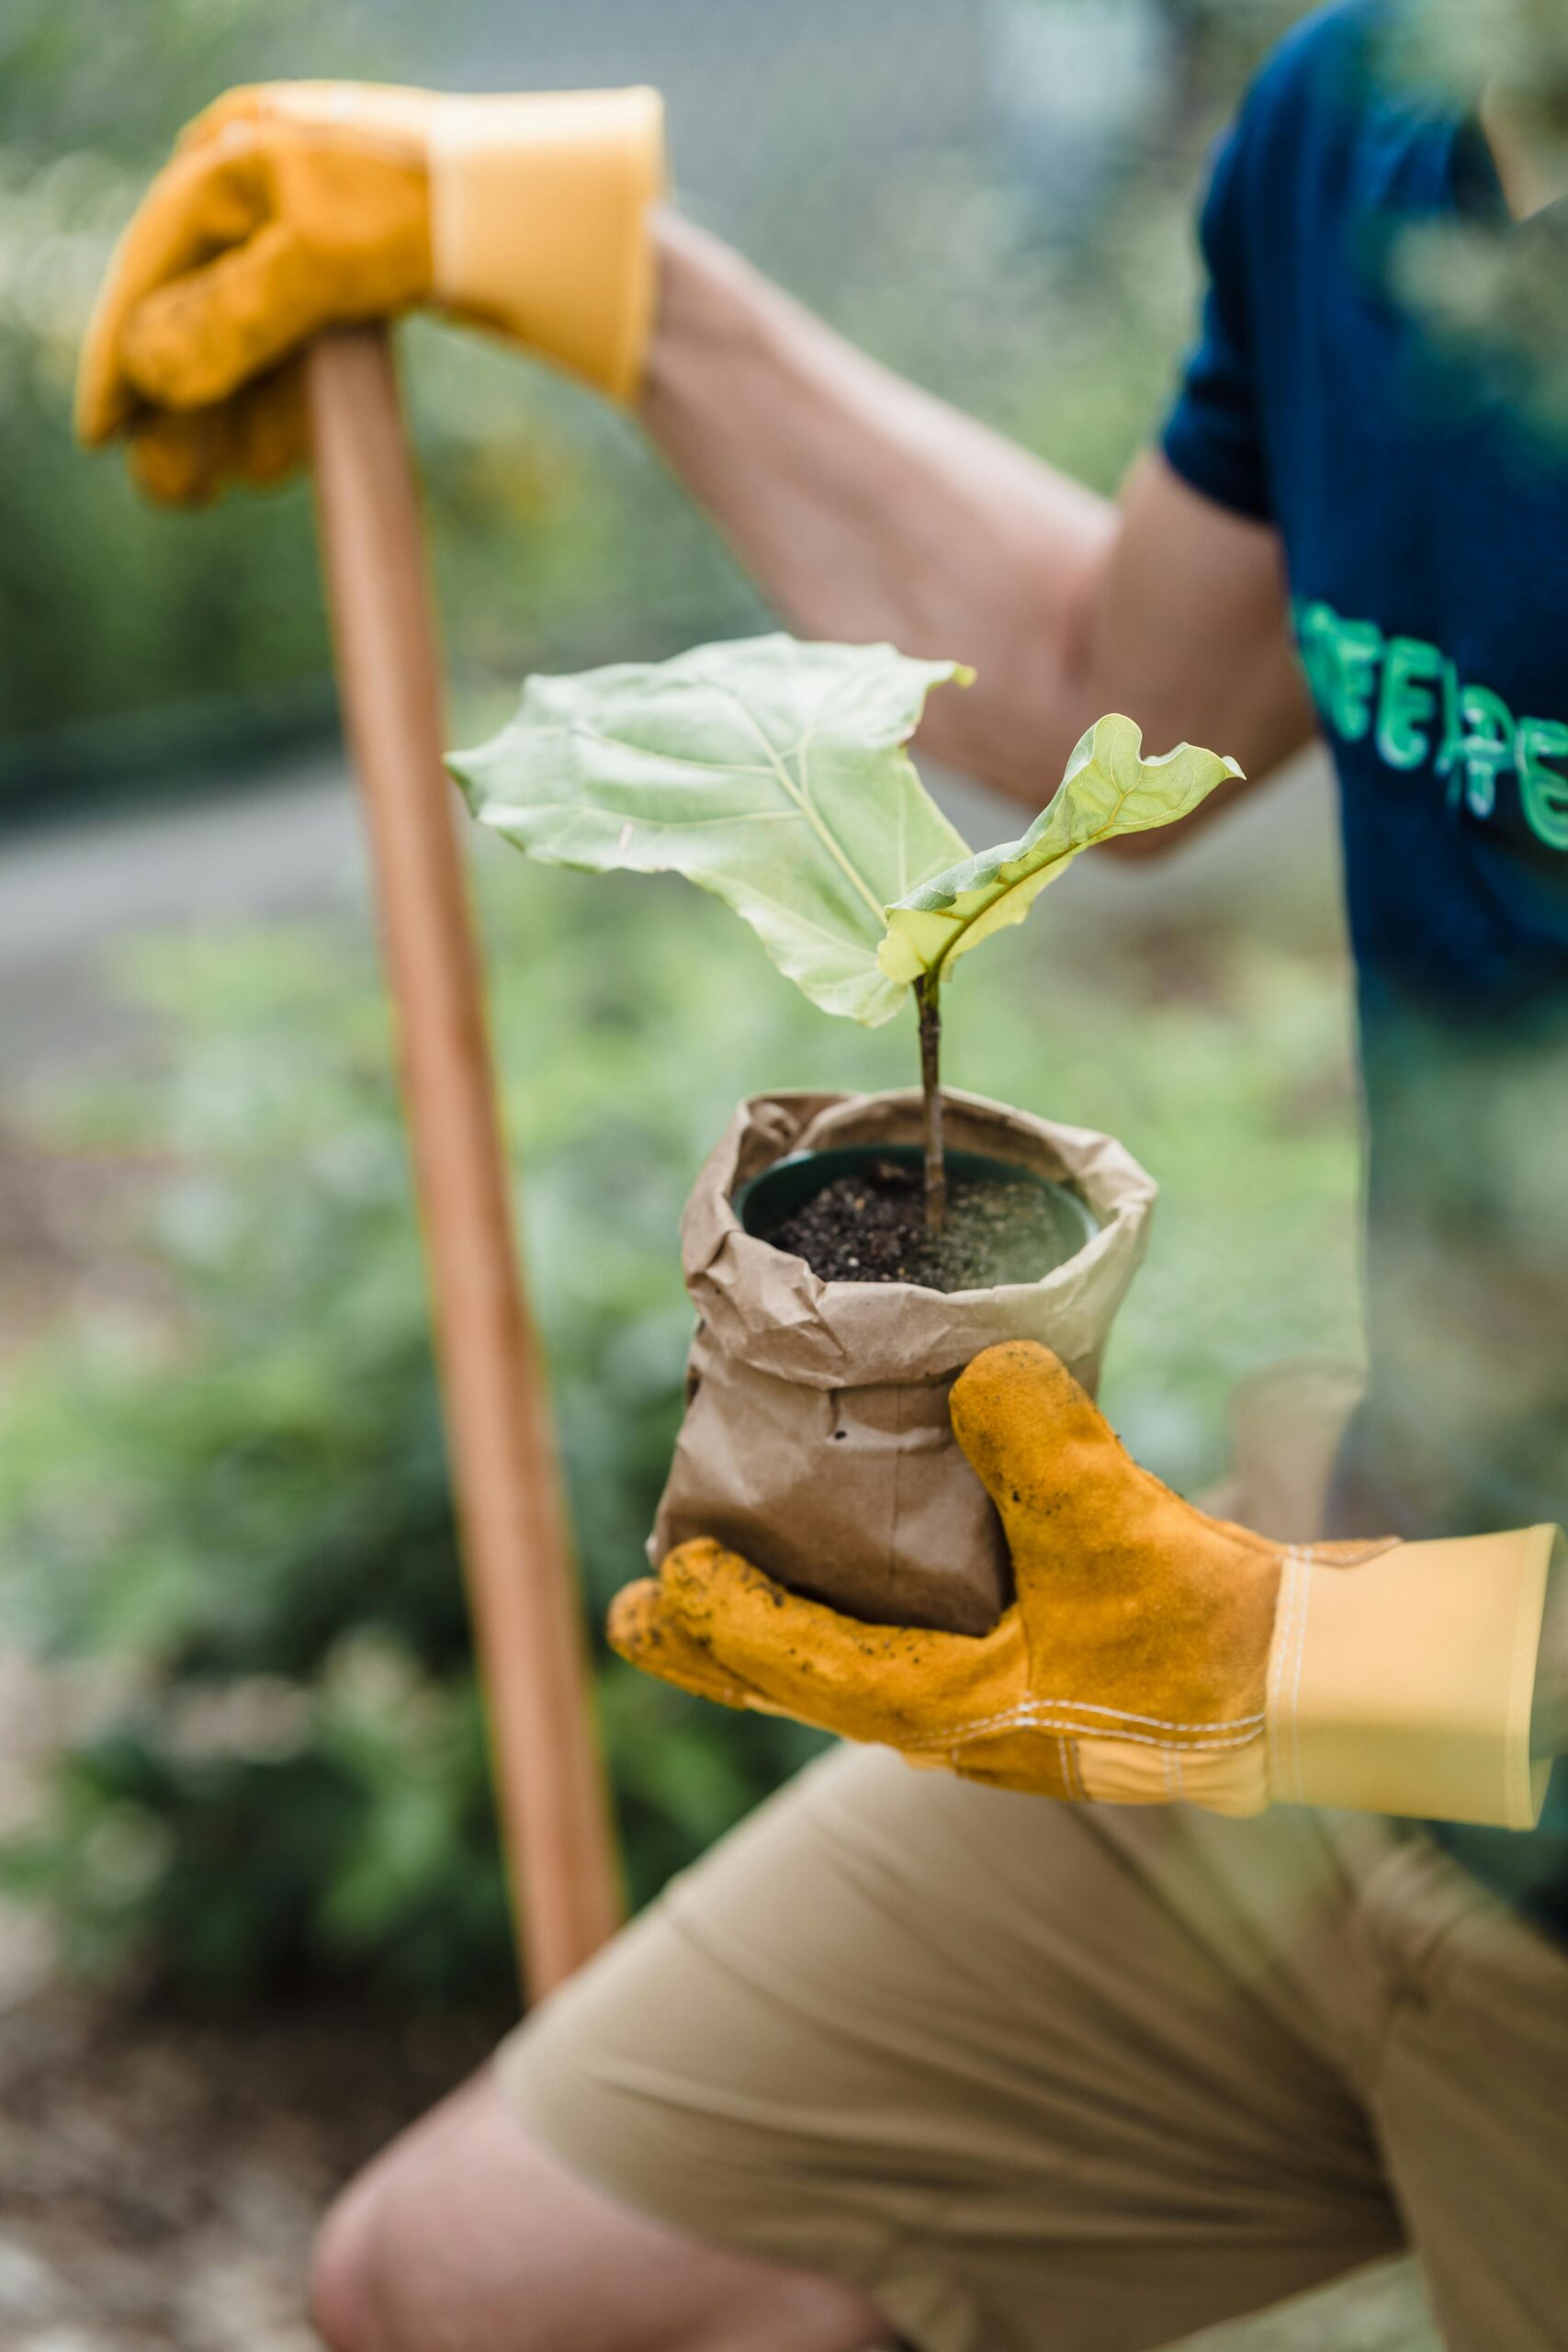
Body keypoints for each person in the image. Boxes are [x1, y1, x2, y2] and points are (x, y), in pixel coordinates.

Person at [77, 6, 1568, 2348]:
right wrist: (606, 268)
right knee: (478, 2285)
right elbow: (1112, 681)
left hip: (1410, 1721)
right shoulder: (1359, 124)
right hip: (1363, 1690)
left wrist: (1292, 1662)